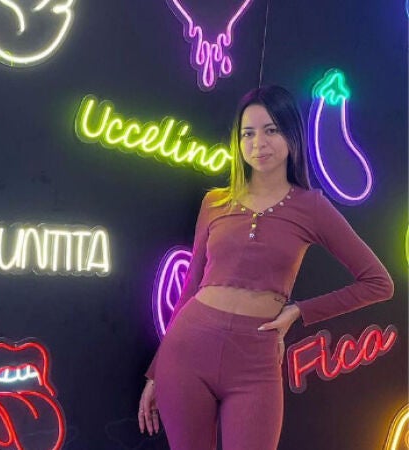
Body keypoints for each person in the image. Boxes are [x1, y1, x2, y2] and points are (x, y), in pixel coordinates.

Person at [137, 86, 394, 450]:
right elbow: (191, 285)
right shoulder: (215, 202)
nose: (258, 143)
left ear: (291, 134)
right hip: (187, 351)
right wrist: (155, 372)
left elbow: (378, 283)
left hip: (255, 361)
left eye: (271, 130)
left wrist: (299, 311)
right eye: (248, 133)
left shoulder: (312, 207)